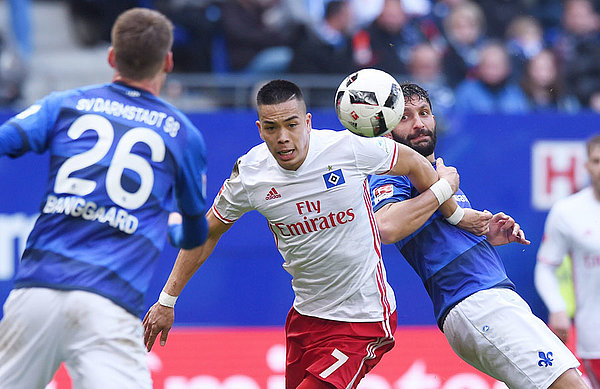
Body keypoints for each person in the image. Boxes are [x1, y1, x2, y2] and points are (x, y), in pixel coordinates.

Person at [143, 79, 466, 389]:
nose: (283, 137)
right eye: (272, 128)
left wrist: (451, 207)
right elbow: (208, 232)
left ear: (308, 121)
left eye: (292, 124)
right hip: (305, 319)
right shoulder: (251, 174)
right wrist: (167, 301)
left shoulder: (348, 148)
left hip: (363, 321)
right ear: (260, 129)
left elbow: (412, 161)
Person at [0, 8, 209, 388]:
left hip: (35, 292)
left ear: (111, 57)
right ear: (168, 61)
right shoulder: (183, 134)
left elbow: (6, 139)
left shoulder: (64, 104)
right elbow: (196, 235)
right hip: (107, 302)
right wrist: (174, 228)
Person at [368, 82, 589, 388]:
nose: (419, 123)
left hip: (489, 299)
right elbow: (386, 226)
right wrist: (444, 187)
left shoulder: (433, 172)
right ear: (387, 129)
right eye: (405, 117)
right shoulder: (391, 171)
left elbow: (437, 230)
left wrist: (484, 236)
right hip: (475, 302)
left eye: (424, 113)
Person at [535, 134, 600, 389]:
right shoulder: (568, 212)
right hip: (595, 336)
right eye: (596, 160)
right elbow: (545, 266)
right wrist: (557, 307)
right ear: (586, 166)